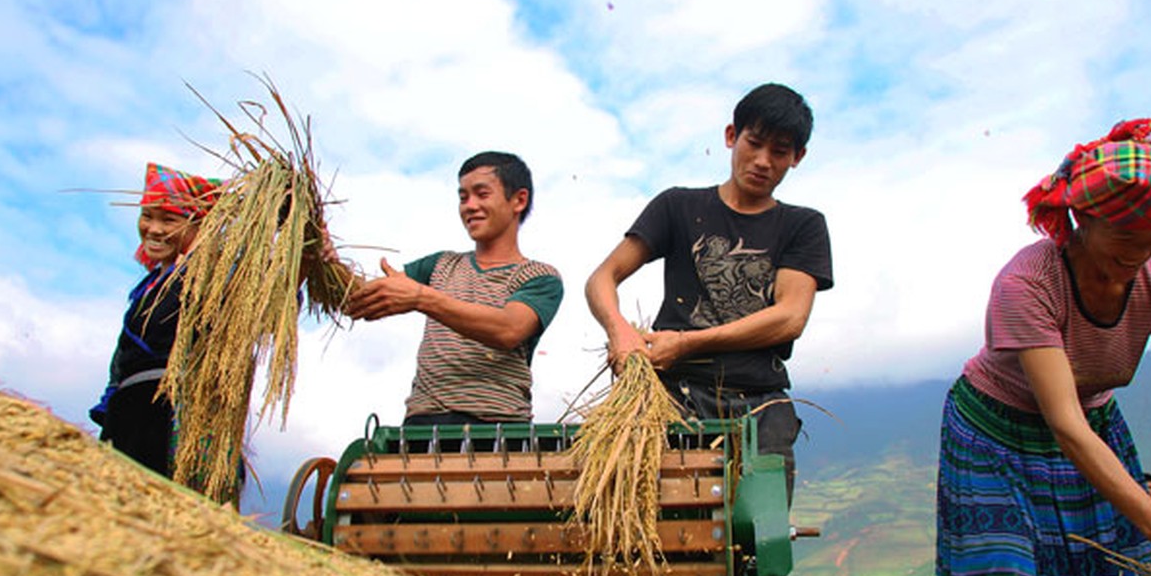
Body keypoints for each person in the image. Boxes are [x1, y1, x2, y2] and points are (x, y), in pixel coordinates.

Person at [935, 118, 1151, 576]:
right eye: (1126, 239)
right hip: (994, 433)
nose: (1142, 254)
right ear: (1083, 220)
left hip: (1095, 422)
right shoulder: (1028, 282)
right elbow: (1063, 424)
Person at [585, 82, 833, 500]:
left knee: (759, 539)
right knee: (659, 524)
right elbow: (603, 277)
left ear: (798, 157)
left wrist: (685, 343)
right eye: (753, 143)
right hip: (671, 401)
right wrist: (620, 332)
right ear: (731, 136)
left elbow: (791, 317)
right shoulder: (678, 207)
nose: (762, 161)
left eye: (780, 151)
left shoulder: (803, 225)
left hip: (759, 405)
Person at [346, 151, 563, 424]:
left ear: (518, 200)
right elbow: (361, 297)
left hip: (497, 430)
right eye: (463, 197)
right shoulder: (440, 265)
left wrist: (422, 299)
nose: (469, 206)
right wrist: (321, 259)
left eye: (482, 194)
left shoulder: (539, 277)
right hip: (422, 425)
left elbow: (509, 329)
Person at [90, 162, 221, 477]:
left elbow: (268, 290)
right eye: (147, 215)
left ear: (198, 227)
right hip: (127, 419)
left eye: (169, 219)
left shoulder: (207, 278)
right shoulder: (146, 289)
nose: (154, 229)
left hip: (171, 419)